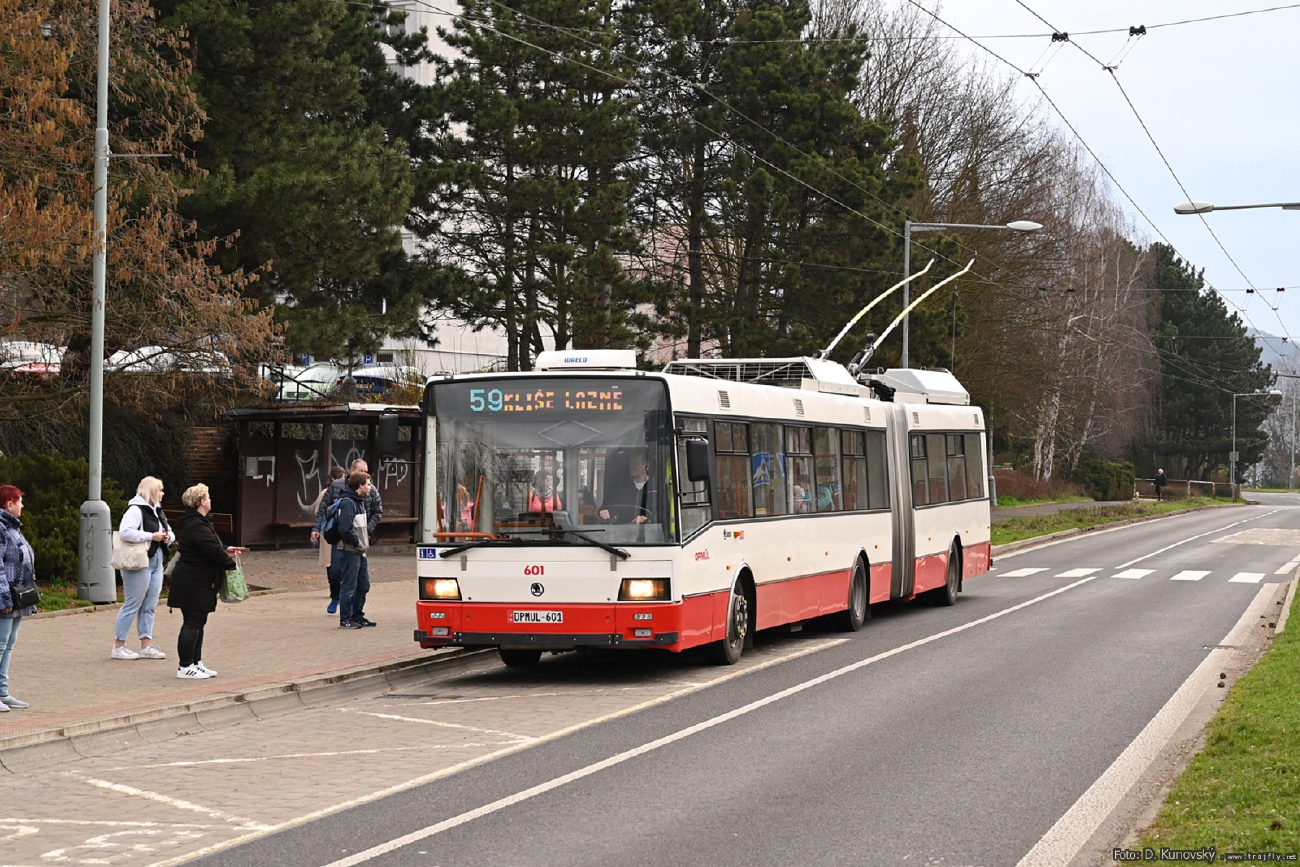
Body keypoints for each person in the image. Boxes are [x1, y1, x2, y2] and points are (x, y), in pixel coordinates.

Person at [167, 484, 246, 679]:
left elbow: (211, 546)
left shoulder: (198, 523)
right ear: (202, 502)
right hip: (193, 580)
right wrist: (230, 565)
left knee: (198, 622)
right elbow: (211, 549)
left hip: (198, 579)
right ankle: (185, 666)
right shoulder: (196, 524)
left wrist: (226, 549)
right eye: (208, 498)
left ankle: (196, 662)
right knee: (192, 623)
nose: (210, 501)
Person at [112, 476, 175, 660]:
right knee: (133, 603)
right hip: (139, 562)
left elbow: (170, 531)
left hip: (157, 560)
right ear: (151, 491)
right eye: (160, 490)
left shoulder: (157, 511)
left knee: (150, 604)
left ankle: (146, 644)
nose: (163, 494)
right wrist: (150, 536)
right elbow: (125, 532)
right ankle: (118, 645)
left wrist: (166, 537)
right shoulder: (135, 509)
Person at [313, 458, 382, 612]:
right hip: (340, 537)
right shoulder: (337, 486)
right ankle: (336, 597)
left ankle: (353, 608)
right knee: (335, 571)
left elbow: (378, 511)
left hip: (359, 538)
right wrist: (316, 528)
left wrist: (367, 530)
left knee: (359, 576)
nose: (365, 474)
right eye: (361, 471)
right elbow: (324, 508)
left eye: (366, 471)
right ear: (352, 471)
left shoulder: (370, 489)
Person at [0, 484, 36, 711]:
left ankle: (2, 692)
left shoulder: (13, 527)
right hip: (7, 598)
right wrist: (4, 599)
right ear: (9, 504)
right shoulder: (2, 529)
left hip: (18, 597)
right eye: (19, 501)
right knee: (1, 644)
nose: (22, 505)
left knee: (9, 644)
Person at [335, 471, 376, 629]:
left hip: (360, 551)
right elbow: (346, 529)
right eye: (367, 484)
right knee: (349, 586)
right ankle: (345, 618)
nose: (370, 487)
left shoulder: (360, 502)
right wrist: (358, 543)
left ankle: (358, 615)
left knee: (363, 585)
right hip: (350, 551)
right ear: (360, 485)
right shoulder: (348, 503)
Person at [310, 466, 347, 614]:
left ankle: (340, 593)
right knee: (331, 564)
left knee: (337, 564)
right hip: (329, 531)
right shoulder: (326, 493)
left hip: (339, 532)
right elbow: (319, 511)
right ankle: (334, 591)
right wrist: (320, 528)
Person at [600, 450, 652, 524]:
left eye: (637, 463)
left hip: (651, 531)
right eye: (631, 463)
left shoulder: (655, 487)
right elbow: (612, 507)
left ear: (646, 466)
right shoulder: (622, 488)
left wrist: (646, 519)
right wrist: (606, 511)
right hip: (624, 531)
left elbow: (661, 512)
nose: (632, 467)